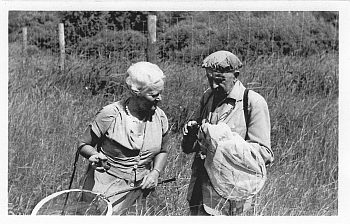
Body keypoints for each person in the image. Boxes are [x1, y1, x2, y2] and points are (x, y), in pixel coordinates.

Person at [181, 50, 274, 216]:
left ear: (235, 76)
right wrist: (191, 135)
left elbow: (264, 154)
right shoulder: (207, 97)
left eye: (219, 80)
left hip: (232, 193)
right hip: (201, 188)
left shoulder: (252, 102)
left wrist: (223, 144)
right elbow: (191, 148)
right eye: (210, 79)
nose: (214, 85)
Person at [78, 61, 169, 215]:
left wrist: (155, 172)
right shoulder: (110, 114)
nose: (159, 98)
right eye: (153, 95)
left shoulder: (160, 117)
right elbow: (83, 144)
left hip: (141, 187)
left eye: (160, 93)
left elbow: (163, 149)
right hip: (107, 188)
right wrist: (94, 155)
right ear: (136, 92)